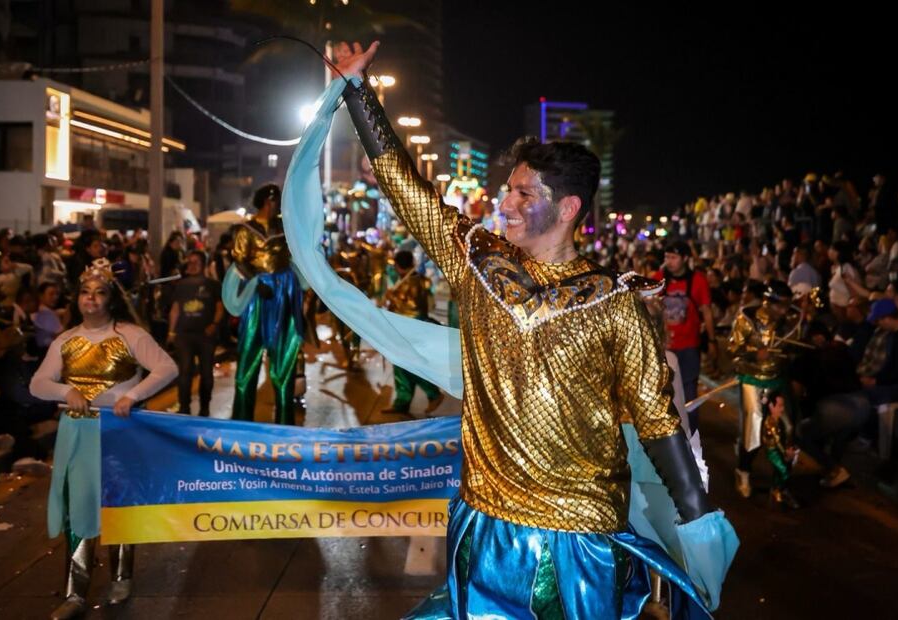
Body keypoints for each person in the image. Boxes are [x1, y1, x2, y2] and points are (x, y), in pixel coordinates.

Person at [309, 41, 734, 618]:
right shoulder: (480, 262)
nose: (504, 203)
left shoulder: (615, 303)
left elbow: (660, 425)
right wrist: (360, 92)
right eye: (508, 189)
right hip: (482, 524)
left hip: (577, 547)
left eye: (522, 193)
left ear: (567, 210)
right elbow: (407, 190)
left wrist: (699, 525)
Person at [29, 258, 177, 619]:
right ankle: (74, 593)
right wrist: (67, 390)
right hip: (77, 432)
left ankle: (122, 577)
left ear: (111, 299)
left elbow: (167, 367)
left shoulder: (129, 334)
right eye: (85, 292)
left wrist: (132, 395)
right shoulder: (66, 340)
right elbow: (38, 384)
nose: (91, 299)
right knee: (78, 507)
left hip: (119, 431)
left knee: (118, 503)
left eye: (99, 293)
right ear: (76, 298)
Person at [223, 185, 305, 424]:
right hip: (259, 295)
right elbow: (239, 261)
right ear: (269, 201)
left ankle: (285, 423)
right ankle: (241, 421)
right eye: (277, 200)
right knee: (249, 356)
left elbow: (296, 256)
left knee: (285, 360)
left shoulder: (285, 226)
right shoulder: (245, 229)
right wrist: (255, 283)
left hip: (286, 292)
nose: (279, 205)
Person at [727, 280, 795, 499]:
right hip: (752, 379)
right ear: (767, 302)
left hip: (776, 379)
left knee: (786, 428)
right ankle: (743, 471)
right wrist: (755, 354)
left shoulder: (788, 322)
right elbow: (733, 350)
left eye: (787, 305)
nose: (784, 310)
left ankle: (780, 484)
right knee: (753, 428)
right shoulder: (746, 319)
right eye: (780, 305)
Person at [655, 239, 716, 430]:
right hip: (665, 347)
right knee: (664, 392)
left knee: (690, 392)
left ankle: (692, 435)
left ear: (686, 258)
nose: (669, 261)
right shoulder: (659, 278)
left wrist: (712, 340)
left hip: (689, 346)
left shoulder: (698, 280)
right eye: (667, 257)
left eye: (673, 257)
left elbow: (706, 311)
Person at [381, 249, 444, 415]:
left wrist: (392, 297)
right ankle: (402, 402)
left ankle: (433, 393)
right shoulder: (414, 279)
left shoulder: (413, 283)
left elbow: (412, 309)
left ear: (398, 265)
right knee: (401, 366)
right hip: (407, 330)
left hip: (410, 330)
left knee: (409, 365)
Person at [169, 250, 223, 416]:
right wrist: (171, 332)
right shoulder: (181, 285)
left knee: (206, 373)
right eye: (189, 262)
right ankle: (184, 407)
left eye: (196, 262)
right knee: (185, 371)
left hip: (205, 335)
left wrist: (214, 324)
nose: (191, 265)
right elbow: (176, 309)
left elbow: (220, 307)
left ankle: (204, 407)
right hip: (184, 334)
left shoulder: (212, 285)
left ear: (204, 265)